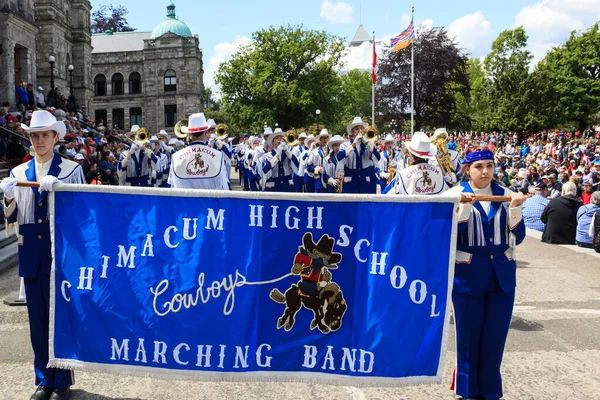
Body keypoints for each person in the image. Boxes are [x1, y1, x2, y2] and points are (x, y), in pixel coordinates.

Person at [0, 110, 84, 400]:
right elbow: (10, 216)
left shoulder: (70, 170)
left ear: (55, 137)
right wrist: (9, 196)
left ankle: (61, 381)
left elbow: (82, 215)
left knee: (59, 320)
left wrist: (59, 195)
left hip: (60, 254)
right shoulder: (18, 173)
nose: (38, 140)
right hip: (32, 256)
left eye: (44, 135)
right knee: (36, 321)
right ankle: (42, 379)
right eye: (34, 136)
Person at [450, 146, 527, 400]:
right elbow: (449, 238)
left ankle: (491, 392)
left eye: (489, 166)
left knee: (495, 340)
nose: (485, 172)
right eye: (479, 167)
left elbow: (520, 236)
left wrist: (515, 209)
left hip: (502, 278)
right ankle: (468, 391)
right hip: (467, 279)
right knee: (468, 340)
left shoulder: (507, 195)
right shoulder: (454, 195)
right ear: (467, 170)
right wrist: (464, 209)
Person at [168, 113, 229, 190]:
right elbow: (225, 188)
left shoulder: (175, 157)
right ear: (206, 132)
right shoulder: (218, 156)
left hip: (185, 202)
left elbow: (170, 188)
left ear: (189, 133)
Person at [336, 117, 380, 194]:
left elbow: (378, 158)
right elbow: (339, 157)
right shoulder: (345, 145)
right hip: (350, 184)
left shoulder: (369, 146)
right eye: (356, 129)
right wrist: (353, 144)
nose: (359, 131)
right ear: (352, 132)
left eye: (361, 128)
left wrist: (368, 144)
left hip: (365, 184)